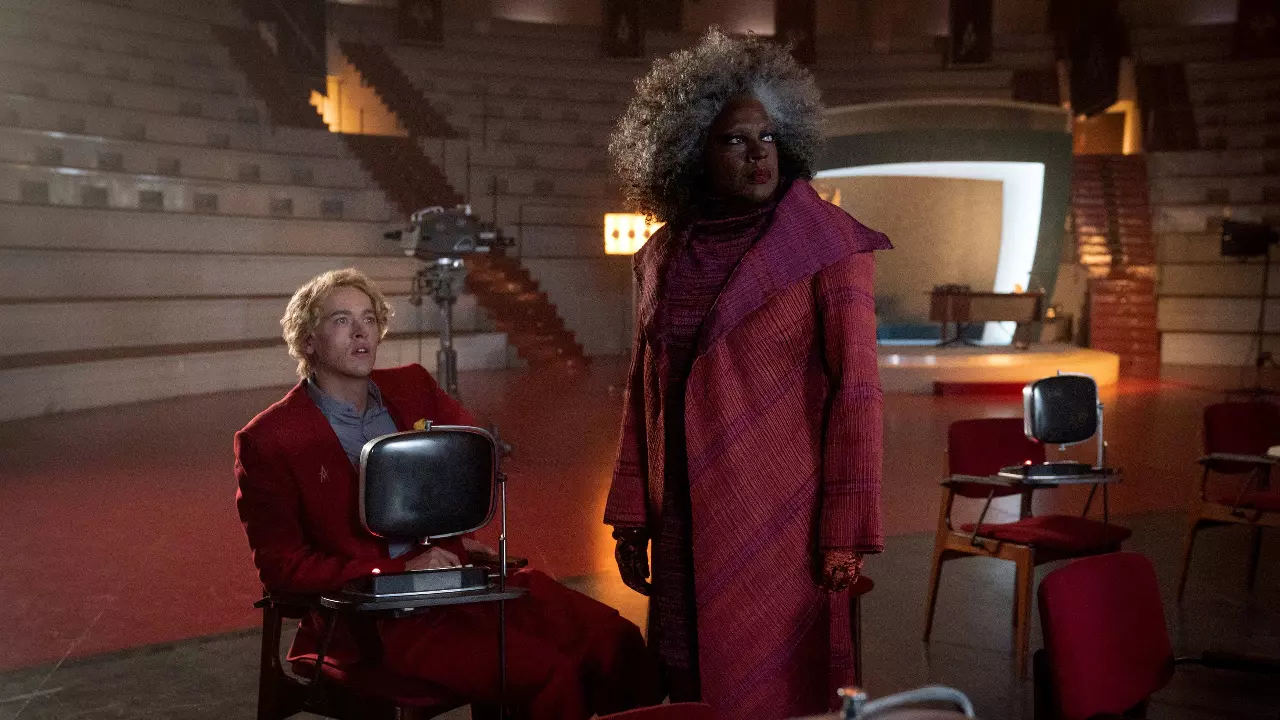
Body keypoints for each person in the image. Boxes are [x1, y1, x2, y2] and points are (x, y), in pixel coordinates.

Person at [604, 29, 891, 719]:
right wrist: (633, 517)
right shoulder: (661, 254)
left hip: (781, 525)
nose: (758, 152)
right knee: (690, 682)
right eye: (734, 140)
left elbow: (857, 395)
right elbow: (643, 390)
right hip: (679, 518)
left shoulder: (829, 246)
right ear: (690, 150)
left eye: (767, 136)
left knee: (775, 694)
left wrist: (846, 530)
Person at [235, 268, 660, 720]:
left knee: (616, 640)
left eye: (369, 318)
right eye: (341, 320)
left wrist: (454, 539)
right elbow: (282, 569)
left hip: (461, 585)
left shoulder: (412, 385)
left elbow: (471, 459)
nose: (361, 332)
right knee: (548, 672)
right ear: (307, 341)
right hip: (377, 621)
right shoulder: (269, 438)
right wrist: (398, 567)